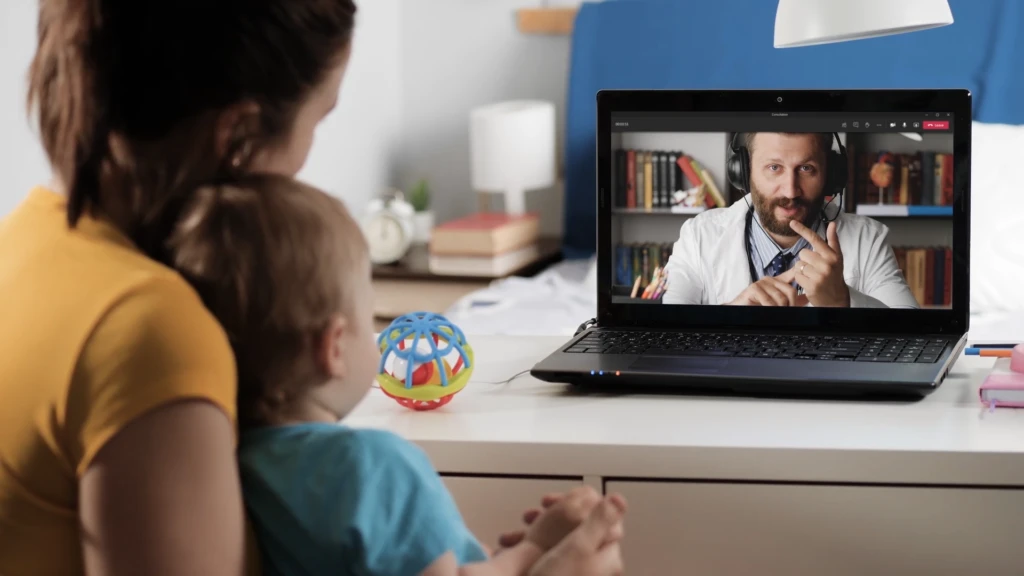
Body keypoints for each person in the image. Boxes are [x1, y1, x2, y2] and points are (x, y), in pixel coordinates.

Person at [0, 2, 623, 575]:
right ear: (239, 136)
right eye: (317, 121)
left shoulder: (24, 246)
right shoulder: (151, 334)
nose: (303, 162)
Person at [167, 175, 629, 576]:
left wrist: (491, 554)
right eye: (370, 317)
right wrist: (538, 547)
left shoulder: (227, 461)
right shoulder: (374, 466)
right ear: (332, 349)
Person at [661, 132, 919, 309]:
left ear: (831, 175)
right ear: (744, 172)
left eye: (806, 168)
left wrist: (842, 301)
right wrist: (731, 314)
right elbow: (666, 337)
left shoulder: (868, 239)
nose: (790, 191)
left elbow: (914, 337)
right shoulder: (698, 236)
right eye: (774, 168)